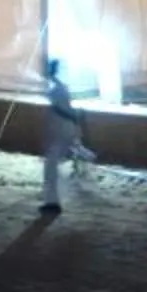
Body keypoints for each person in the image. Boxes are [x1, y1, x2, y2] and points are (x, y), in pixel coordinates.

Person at [38, 56, 96, 217]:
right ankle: (86, 157)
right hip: (64, 127)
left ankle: (52, 202)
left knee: (51, 165)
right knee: (59, 157)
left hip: (61, 128)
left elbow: (61, 109)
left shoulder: (57, 88)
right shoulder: (59, 86)